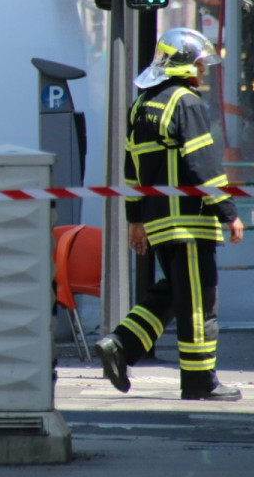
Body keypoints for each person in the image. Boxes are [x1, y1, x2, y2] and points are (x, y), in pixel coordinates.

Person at [95, 27, 245, 402]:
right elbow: (202, 164)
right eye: (199, 64)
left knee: (174, 292)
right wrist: (228, 211)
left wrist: (136, 220)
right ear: (184, 67)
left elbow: (132, 170)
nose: (202, 72)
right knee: (199, 301)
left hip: (160, 222)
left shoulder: (141, 106)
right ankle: (200, 382)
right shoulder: (187, 103)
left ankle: (121, 344)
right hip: (191, 222)